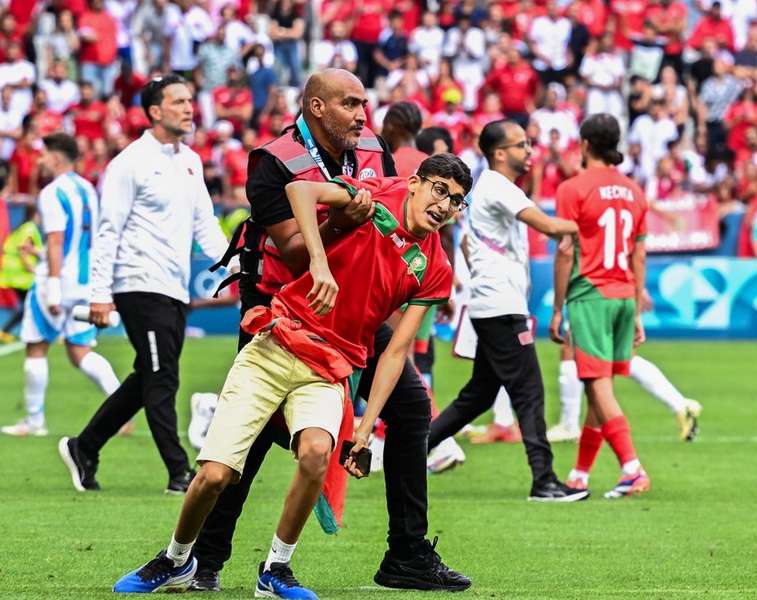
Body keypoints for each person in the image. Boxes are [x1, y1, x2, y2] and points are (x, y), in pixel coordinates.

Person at [112, 155, 473, 598]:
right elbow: (299, 190)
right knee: (214, 476)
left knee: (318, 452)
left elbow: (396, 352)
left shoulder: (434, 268)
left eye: (456, 201)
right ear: (416, 183)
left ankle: (276, 569)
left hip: (330, 368)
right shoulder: (374, 193)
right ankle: (176, 559)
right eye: (440, 190)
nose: (445, 205)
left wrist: (364, 429)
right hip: (277, 344)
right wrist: (318, 263)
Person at [188, 69, 469, 593]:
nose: (363, 114)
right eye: (350, 104)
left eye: (363, 103)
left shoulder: (372, 149)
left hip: (349, 312)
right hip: (279, 303)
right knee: (254, 435)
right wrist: (343, 222)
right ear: (317, 107)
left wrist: (383, 307)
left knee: (410, 406)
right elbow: (295, 251)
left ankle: (406, 555)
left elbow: (388, 235)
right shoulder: (272, 159)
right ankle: (205, 558)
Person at [57, 75, 230, 493]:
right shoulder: (129, 163)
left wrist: (236, 266)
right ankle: (179, 473)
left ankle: (84, 447)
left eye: (190, 100)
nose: (190, 108)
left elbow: (205, 226)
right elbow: (108, 230)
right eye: (179, 102)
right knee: (163, 377)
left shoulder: (190, 160)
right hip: (137, 282)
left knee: (149, 375)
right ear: (155, 111)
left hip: (173, 287)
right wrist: (100, 293)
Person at [427, 119, 587, 502]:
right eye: (521, 144)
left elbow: (467, 245)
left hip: (493, 302)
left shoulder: (491, 187)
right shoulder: (497, 186)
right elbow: (547, 226)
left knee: (479, 396)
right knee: (529, 390)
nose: (529, 150)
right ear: (500, 153)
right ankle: (544, 480)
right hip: (500, 305)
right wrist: (590, 224)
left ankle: (412, 450)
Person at [551, 113, 652, 499]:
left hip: (590, 293)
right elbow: (639, 256)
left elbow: (564, 251)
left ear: (586, 145)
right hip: (624, 294)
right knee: (600, 387)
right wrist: (638, 307)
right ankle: (580, 473)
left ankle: (632, 468)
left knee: (597, 384)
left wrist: (558, 309)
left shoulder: (573, 188)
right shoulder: (634, 191)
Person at [1, 134, 120, 437]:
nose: (39, 161)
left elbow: (56, 241)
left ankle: (34, 422)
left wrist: (53, 285)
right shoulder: (89, 190)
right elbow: (84, 240)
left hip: (54, 281)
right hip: (84, 281)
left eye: (43, 155)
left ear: (55, 158)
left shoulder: (52, 192)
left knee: (36, 347)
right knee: (80, 350)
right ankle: (120, 407)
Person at [0, 204, 42, 342]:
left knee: (27, 305)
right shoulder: (30, 228)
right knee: (29, 305)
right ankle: (6, 331)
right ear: (36, 214)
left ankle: (8, 331)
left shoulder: (21, 227)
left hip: (12, 273)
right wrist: (32, 269)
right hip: (22, 275)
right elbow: (24, 250)